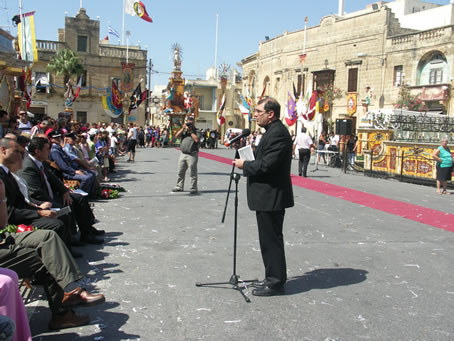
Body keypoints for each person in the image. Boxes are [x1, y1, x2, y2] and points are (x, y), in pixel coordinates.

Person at [232, 97, 294, 297]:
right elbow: (264, 159)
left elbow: (267, 165)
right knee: (267, 240)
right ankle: (271, 277)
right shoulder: (271, 132)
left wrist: (245, 165)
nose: (255, 114)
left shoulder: (278, 134)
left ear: (271, 114)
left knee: (271, 240)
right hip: (266, 195)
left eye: (258, 111)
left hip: (272, 196)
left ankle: (275, 283)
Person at [19, 136, 104, 244]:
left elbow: (53, 179)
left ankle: (87, 231)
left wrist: (64, 191)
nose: (49, 152)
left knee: (79, 198)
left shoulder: (40, 162)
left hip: (53, 194)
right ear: (37, 151)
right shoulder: (28, 167)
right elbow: (35, 192)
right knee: (66, 206)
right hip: (43, 200)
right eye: (47, 149)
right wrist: (52, 202)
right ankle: (71, 238)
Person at [172, 116, 199, 194]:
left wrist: (191, 132)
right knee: (180, 171)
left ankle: (193, 188)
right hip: (183, 154)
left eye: (191, 121)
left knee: (192, 172)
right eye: (188, 121)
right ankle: (179, 186)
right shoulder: (184, 130)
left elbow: (197, 139)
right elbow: (176, 136)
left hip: (192, 154)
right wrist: (183, 128)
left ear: (193, 122)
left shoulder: (196, 130)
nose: (189, 122)